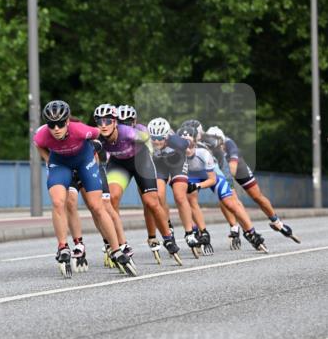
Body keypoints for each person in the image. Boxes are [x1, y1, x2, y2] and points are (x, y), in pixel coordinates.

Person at [34, 100, 135, 276]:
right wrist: (47, 159)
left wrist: (95, 151)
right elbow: (38, 144)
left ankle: (116, 249)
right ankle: (63, 247)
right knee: (58, 202)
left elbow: (99, 135)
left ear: (67, 121)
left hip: (84, 162)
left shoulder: (80, 129)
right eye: (51, 124)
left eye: (60, 124)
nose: (56, 129)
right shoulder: (42, 135)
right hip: (60, 164)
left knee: (97, 206)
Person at [94, 104, 182, 264]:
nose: (104, 126)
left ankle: (168, 238)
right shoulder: (98, 136)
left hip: (141, 161)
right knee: (112, 198)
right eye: (100, 122)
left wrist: (156, 154)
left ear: (115, 123)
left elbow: (149, 141)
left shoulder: (128, 132)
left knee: (151, 202)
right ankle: (115, 242)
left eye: (108, 122)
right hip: (119, 164)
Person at [179, 124, 268, 252]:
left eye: (190, 144)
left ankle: (251, 232)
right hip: (193, 174)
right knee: (189, 198)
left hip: (213, 173)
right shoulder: (176, 154)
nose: (187, 149)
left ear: (196, 141)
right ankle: (202, 232)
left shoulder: (204, 152)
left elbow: (212, 180)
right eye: (184, 145)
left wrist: (197, 186)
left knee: (230, 202)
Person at [204, 126, 300, 243]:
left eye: (219, 145)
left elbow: (232, 169)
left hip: (238, 167)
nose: (217, 148)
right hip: (221, 168)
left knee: (257, 196)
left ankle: (277, 222)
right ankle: (234, 227)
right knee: (225, 197)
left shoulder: (230, 145)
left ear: (222, 141)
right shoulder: (206, 147)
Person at [147, 117, 202, 259]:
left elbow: (190, 143)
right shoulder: (147, 141)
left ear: (167, 136)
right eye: (153, 138)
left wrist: (190, 141)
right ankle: (168, 225)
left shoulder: (176, 141)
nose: (156, 141)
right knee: (158, 196)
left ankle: (189, 232)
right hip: (160, 164)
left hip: (177, 162)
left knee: (179, 196)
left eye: (160, 138)